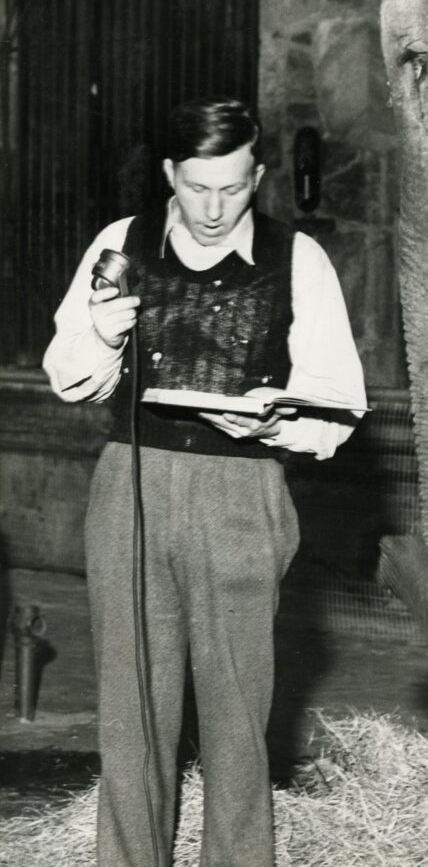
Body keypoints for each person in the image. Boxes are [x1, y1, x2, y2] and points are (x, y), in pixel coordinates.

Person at [43, 96, 366, 867]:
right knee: (132, 719)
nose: (214, 207)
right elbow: (68, 376)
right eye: (196, 187)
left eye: (232, 188)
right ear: (168, 175)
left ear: (255, 175)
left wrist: (277, 424)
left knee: (236, 724)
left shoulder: (298, 259)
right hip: (134, 488)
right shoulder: (121, 244)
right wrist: (102, 333)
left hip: (242, 495)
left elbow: (340, 400)